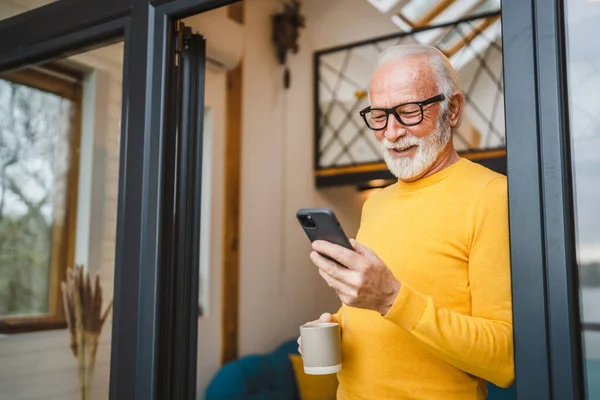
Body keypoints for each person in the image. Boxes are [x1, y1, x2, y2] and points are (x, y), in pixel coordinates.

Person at [298, 44, 514, 399]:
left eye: (409, 112)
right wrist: (336, 327)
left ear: (453, 109)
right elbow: (375, 319)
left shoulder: (492, 196)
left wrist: (390, 298)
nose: (392, 133)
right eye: (379, 116)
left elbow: (504, 360)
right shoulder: (376, 204)